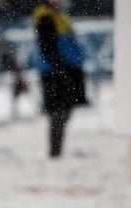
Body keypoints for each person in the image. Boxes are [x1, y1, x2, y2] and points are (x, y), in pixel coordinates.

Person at [33, 0, 88, 158]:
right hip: (55, 71)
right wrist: (59, 67)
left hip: (64, 68)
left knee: (63, 111)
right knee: (58, 112)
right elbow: (47, 45)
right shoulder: (45, 15)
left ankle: (56, 150)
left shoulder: (58, 14)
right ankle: (55, 151)